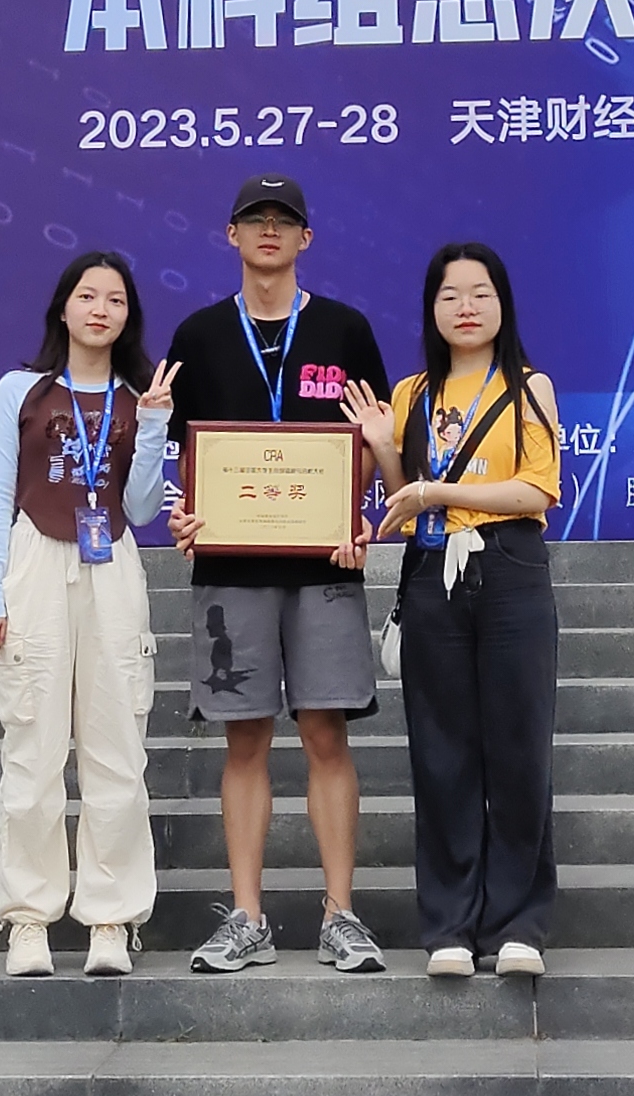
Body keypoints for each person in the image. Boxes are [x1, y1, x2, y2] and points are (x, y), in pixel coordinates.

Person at [162, 173, 391, 974]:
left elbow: (372, 438)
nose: (269, 230)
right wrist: (186, 512)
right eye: (254, 219)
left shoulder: (344, 329)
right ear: (231, 235)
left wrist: (357, 510)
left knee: (327, 733)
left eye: (283, 220)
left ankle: (340, 915)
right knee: (246, 739)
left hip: (324, 563)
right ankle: (248, 918)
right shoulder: (197, 335)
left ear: (305, 238)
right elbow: (182, 454)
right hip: (231, 569)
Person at [343, 242, 561, 980]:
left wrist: (440, 492)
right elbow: (403, 503)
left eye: (480, 293)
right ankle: (450, 926)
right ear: (431, 309)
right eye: (450, 295)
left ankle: (519, 924)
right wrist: (384, 449)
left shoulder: (530, 387)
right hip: (431, 573)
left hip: (510, 568)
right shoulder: (410, 394)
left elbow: (536, 490)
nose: (466, 308)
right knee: (441, 752)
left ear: (503, 304)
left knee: (519, 748)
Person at [0, 250, 178, 978]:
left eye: (115, 300)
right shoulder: (20, 390)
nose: (100, 310)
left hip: (112, 564)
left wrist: (152, 426)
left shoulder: (139, 396)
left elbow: (144, 508)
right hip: (35, 562)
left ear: (129, 316)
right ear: (63, 307)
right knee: (32, 748)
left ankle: (110, 918)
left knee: (117, 747)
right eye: (88, 296)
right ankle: (28, 918)